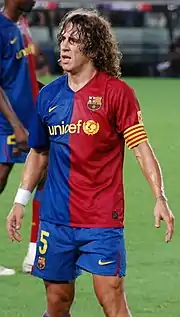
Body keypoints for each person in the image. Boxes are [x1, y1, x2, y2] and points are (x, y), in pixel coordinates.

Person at [7, 8, 174, 317]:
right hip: (56, 219)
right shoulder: (48, 97)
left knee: (111, 299)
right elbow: (39, 152)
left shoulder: (117, 94)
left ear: (95, 48)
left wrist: (160, 197)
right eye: (63, 39)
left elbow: (139, 146)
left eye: (75, 40)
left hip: (102, 219)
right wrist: (21, 200)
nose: (65, 46)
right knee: (57, 302)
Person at [0, 0, 45, 275]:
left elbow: (22, 75)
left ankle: (33, 253)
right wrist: (16, 125)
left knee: (44, 175)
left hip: (30, 119)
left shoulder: (22, 25)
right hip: (7, 123)